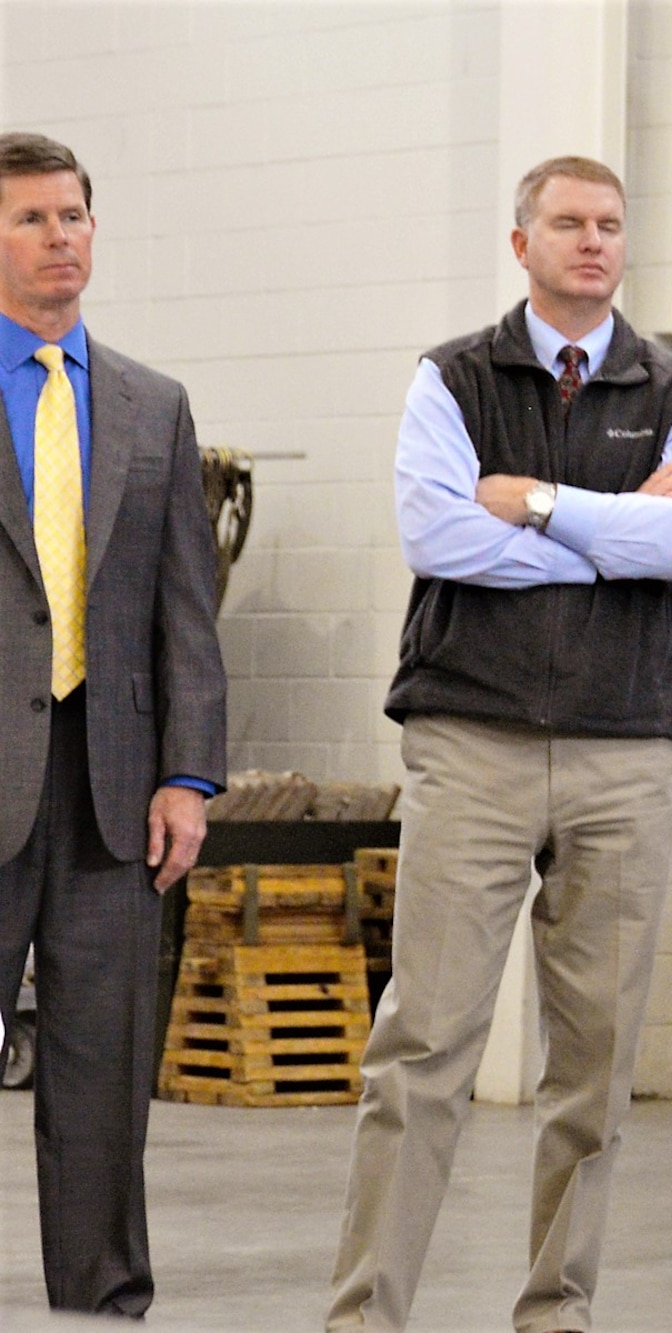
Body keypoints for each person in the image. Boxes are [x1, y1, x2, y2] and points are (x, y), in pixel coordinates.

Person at [326, 155, 672, 1333]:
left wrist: (544, 503)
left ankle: (556, 1311)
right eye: (567, 223)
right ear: (521, 244)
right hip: (473, 742)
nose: (593, 242)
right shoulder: (452, 377)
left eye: (610, 224)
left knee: (594, 1069)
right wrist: (620, 531)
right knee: (422, 1051)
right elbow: (439, 536)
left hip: (625, 753)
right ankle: (365, 1315)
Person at [0, 133, 226, 1317]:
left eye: (74, 216)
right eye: (33, 218)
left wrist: (188, 774)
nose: (61, 238)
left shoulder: (151, 402)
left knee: (100, 1071)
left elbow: (185, 609)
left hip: (111, 793)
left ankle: (101, 1292)